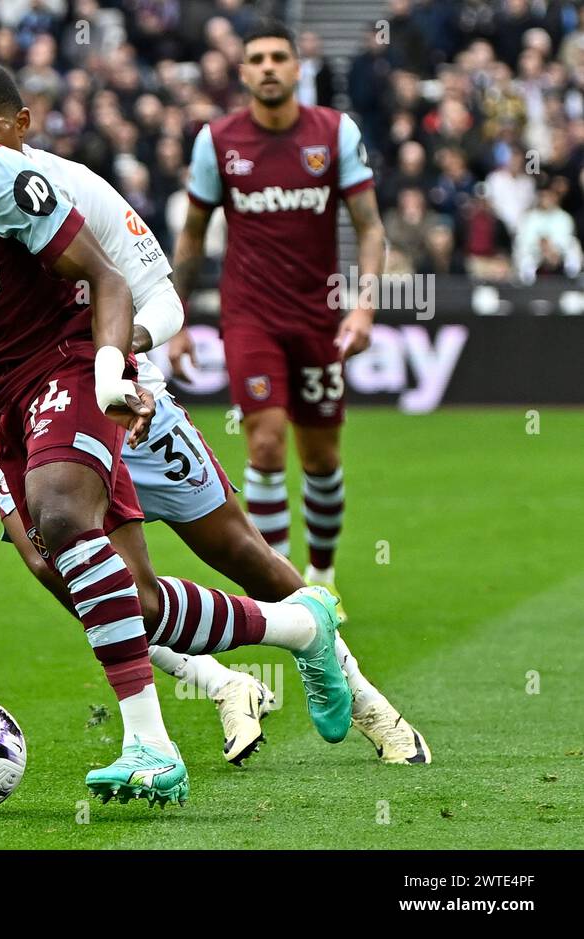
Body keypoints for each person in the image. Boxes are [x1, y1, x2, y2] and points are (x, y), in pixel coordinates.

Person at [0, 54, 355, 809]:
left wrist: (112, 371)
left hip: (67, 364)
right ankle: (297, 627)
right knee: (134, 599)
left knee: (59, 518)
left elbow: (108, 279)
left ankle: (150, 744)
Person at [164, 21, 431, 763]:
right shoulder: (217, 141)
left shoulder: (332, 132)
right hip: (249, 316)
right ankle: (288, 599)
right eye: (257, 59)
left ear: (296, 67)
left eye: (280, 56)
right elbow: (191, 236)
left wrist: (365, 302)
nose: (269, 68)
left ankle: (321, 574)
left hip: (319, 316)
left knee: (321, 457)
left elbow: (369, 225)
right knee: (265, 441)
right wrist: (178, 320)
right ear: (243, 73)